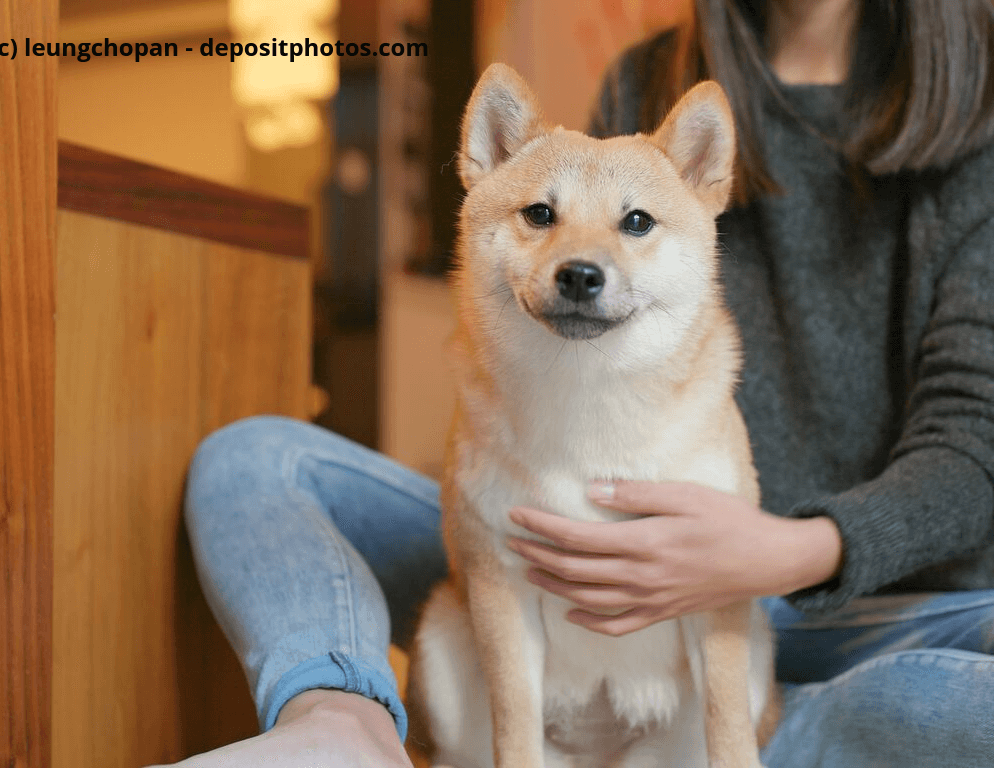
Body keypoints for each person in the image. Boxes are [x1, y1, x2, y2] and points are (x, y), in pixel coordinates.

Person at [150, 0, 994, 766]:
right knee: (254, 460)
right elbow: (566, 259)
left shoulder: (982, 96)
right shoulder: (654, 76)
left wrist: (778, 553)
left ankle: (776, 733)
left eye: (635, 223)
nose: (588, 248)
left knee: (947, 700)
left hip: (881, 616)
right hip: (565, 545)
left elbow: (976, 441)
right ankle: (340, 721)